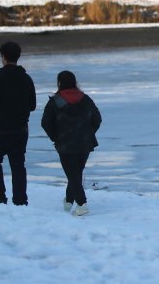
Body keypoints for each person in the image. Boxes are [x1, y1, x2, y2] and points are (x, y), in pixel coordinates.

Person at [41, 70, 102, 216]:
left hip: (65, 143)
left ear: (59, 83)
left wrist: (55, 137)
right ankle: (68, 200)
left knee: (73, 174)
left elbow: (45, 123)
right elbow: (97, 119)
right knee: (75, 173)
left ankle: (81, 204)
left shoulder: (55, 101)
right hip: (85, 143)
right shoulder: (86, 99)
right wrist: (88, 133)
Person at [0, 41, 37, 205]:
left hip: (0, 127)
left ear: (3, 57)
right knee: (18, 164)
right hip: (20, 129)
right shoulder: (27, 79)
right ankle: (20, 199)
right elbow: (33, 105)